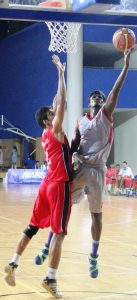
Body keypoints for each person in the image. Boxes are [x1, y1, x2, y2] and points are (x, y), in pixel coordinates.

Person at [35, 50, 132, 278]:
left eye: (100, 96)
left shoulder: (106, 114)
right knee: (63, 207)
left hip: (98, 170)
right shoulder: (81, 122)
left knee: (97, 215)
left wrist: (126, 65)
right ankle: (48, 244)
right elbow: (73, 147)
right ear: (88, 103)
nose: (98, 98)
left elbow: (115, 91)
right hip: (80, 167)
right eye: (94, 97)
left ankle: (94, 257)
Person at [4, 55, 73, 299]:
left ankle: (13, 262)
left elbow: (57, 99)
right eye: (52, 113)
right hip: (58, 186)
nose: (56, 112)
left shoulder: (44, 134)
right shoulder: (55, 129)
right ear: (48, 119)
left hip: (45, 185)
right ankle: (50, 278)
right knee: (60, 233)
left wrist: (58, 77)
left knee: (33, 227)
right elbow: (62, 101)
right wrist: (61, 74)